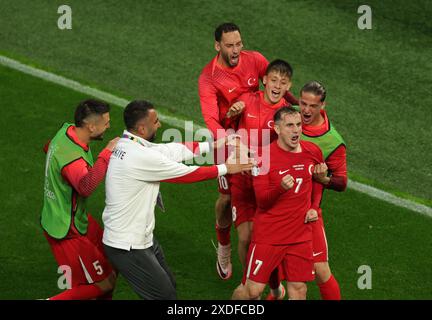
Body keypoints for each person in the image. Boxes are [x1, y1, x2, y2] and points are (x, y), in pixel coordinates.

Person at [101, 100, 253, 300]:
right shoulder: (138, 156)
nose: (159, 125)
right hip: (127, 245)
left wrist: (215, 144)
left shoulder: (129, 143)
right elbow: (184, 174)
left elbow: (172, 150)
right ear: (141, 128)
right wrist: (227, 168)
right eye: (155, 121)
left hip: (139, 238)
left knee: (168, 288)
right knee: (165, 297)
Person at [198, 22, 298, 280]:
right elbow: (210, 118)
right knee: (226, 199)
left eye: (238, 44)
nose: (235, 50)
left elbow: (278, 84)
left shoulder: (254, 60)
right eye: (229, 45)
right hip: (227, 139)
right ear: (217, 46)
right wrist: (231, 143)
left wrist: (304, 109)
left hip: (260, 131)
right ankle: (223, 246)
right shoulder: (209, 78)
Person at [231, 106, 325, 300]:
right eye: (290, 125)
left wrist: (314, 207)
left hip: (300, 234)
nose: (296, 130)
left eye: (299, 124)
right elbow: (262, 201)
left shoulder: (313, 151)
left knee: (299, 289)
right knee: (252, 291)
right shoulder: (262, 157)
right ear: (277, 129)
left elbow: (318, 181)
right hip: (269, 235)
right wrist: (280, 188)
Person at [265, 81, 346, 300]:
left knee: (319, 270)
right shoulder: (290, 118)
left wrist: (324, 179)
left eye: (313, 106)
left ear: (323, 106)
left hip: (307, 212)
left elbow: (342, 182)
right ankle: (275, 293)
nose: (307, 111)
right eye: (303, 104)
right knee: (273, 263)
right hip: (277, 205)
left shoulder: (332, 141)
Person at [41, 99, 118, 300]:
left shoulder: (66, 132)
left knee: (113, 259)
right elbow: (86, 186)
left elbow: (48, 146)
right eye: (106, 122)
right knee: (104, 283)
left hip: (76, 217)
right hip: (67, 227)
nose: (109, 126)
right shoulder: (73, 158)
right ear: (91, 126)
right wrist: (107, 154)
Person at [225, 59, 293, 272]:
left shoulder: (288, 115)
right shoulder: (246, 100)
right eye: (273, 80)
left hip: (267, 183)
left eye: (283, 82)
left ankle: (272, 284)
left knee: (265, 239)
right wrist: (231, 113)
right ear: (264, 80)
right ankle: (249, 282)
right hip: (243, 180)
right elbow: (227, 130)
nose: (277, 86)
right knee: (245, 238)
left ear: (289, 86)